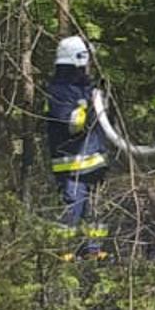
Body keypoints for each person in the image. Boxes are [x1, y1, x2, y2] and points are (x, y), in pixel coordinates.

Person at [46, 35, 111, 260]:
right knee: (72, 208)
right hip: (71, 165)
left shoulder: (85, 87)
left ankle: (93, 251)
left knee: (94, 209)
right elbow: (72, 125)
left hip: (94, 162)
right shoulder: (59, 91)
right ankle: (64, 253)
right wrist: (86, 107)